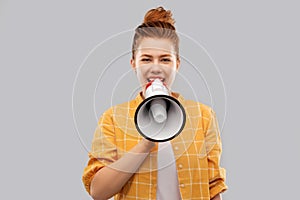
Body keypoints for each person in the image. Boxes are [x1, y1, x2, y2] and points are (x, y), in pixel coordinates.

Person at [82, 6, 227, 200]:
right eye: (146, 59)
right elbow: (98, 192)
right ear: (133, 63)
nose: (155, 68)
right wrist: (146, 142)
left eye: (165, 59)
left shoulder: (203, 117)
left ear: (177, 64)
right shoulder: (112, 119)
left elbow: (213, 188)